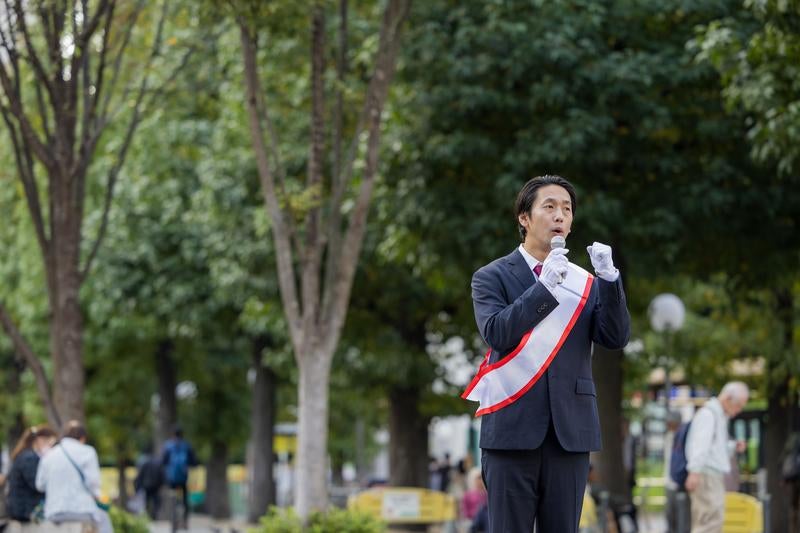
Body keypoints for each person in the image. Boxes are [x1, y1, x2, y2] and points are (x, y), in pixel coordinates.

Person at [462, 175, 631, 533]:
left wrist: (610, 279)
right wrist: (542, 289)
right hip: (511, 430)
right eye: (549, 207)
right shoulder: (491, 276)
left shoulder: (583, 280)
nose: (560, 216)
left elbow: (615, 337)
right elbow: (498, 332)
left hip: (569, 432)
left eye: (567, 209)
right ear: (524, 218)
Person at [685, 382, 749, 533]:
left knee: (712, 521)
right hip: (707, 476)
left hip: (711, 475)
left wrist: (732, 447)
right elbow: (699, 446)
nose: (738, 410)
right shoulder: (709, 414)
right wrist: (694, 472)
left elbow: (714, 448)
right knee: (708, 522)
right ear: (727, 398)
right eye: (738, 405)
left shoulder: (718, 416)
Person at [35, 420, 113, 533]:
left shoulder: (49, 455)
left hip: (54, 512)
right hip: (81, 510)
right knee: (104, 519)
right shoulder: (88, 452)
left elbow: (40, 485)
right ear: (82, 438)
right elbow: (93, 483)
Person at [5, 425, 57, 521]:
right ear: (40, 440)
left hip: (21, 507)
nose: (52, 449)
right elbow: (36, 484)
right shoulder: (29, 458)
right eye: (51, 444)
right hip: (25, 509)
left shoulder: (26, 455)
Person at [161, 427, 198, 525]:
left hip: (172, 478)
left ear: (173, 434)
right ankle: (185, 519)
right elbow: (194, 461)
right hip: (183, 477)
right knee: (185, 497)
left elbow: (163, 461)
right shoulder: (186, 446)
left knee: (172, 494)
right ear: (182, 435)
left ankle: (172, 515)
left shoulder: (168, 446)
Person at [663, 411, 690, 533]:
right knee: (670, 518)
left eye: (671, 422)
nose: (669, 425)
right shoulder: (668, 437)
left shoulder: (684, 437)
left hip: (680, 484)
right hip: (668, 484)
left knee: (682, 520)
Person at [133, 445, 164, 519]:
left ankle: (149, 514)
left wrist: (138, 485)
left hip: (146, 485)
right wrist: (161, 483)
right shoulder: (157, 462)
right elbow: (161, 474)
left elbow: (140, 475)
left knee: (147, 500)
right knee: (155, 500)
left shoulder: (143, 462)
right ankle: (154, 514)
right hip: (156, 485)